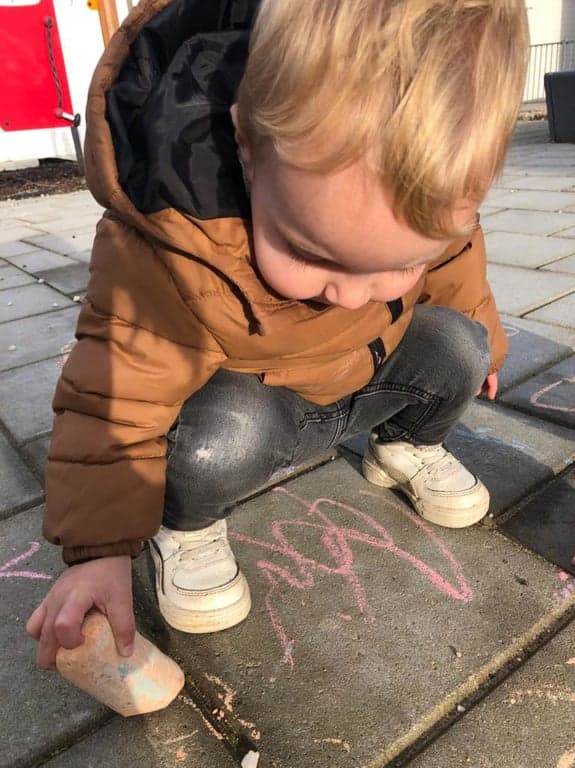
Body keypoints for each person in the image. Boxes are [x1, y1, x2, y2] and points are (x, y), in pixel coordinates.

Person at [26, 0, 529, 668]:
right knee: (215, 442)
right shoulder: (175, 240)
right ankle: (188, 524)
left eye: (399, 263)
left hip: (364, 376)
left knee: (458, 343)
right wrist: (99, 551)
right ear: (246, 149)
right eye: (313, 256)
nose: (351, 292)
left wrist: (484, 340)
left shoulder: (423, 196)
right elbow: (111, 398)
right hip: (255, 410)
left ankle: (403, 445)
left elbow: (456, 262)